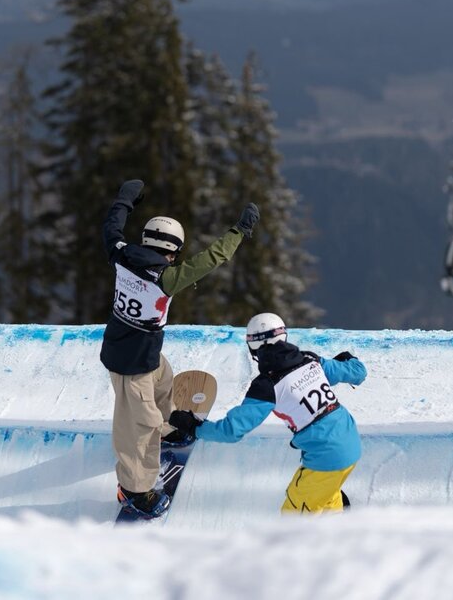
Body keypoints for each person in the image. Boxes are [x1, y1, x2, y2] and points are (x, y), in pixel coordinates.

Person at [103, 178, 260, 517]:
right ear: (171, 252)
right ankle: (135, 490)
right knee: (138, 431)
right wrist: (238, 232)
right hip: (131, 366)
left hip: (137, 351)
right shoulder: (166, 277)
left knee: (165, 379)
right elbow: (211, 258)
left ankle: (166, 425)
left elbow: (111, 226)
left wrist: (125, 199)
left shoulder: (119, 254)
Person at [169, 312, 366, 514]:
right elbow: (358, 373)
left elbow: (230, 431)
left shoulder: (267, 385)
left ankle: (322, 540)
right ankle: (338, 522)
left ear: (252, 347)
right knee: (323, 494)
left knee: (294, 515)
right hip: (350, 441)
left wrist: (194, 426)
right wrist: (348, 360)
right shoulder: (310, 360)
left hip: (326, 457)